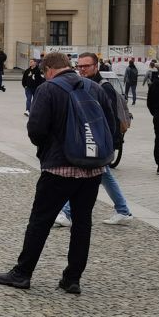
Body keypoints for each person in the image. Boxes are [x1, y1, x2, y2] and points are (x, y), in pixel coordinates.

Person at [0, 51, 115, 296]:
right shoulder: (94, 88)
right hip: (92, 170)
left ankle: (23, 273)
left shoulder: (48, 89)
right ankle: (72, 279)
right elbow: (110, 126)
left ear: (49, 69)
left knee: (40, 221)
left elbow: (36, 129)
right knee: (82, 223)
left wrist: (47, 149)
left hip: (59, 167)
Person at [56, 53, 133, 227]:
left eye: (86, 66)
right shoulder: (83, 84)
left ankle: (67, 213)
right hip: (90, 138)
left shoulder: (103, 87)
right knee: (104, 175)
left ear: (96, 66)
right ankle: (123, 210)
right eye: (79, 66)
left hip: (98, 140)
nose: (82, 69)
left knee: (82, 172)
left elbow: (110, 117)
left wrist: (108, 143)